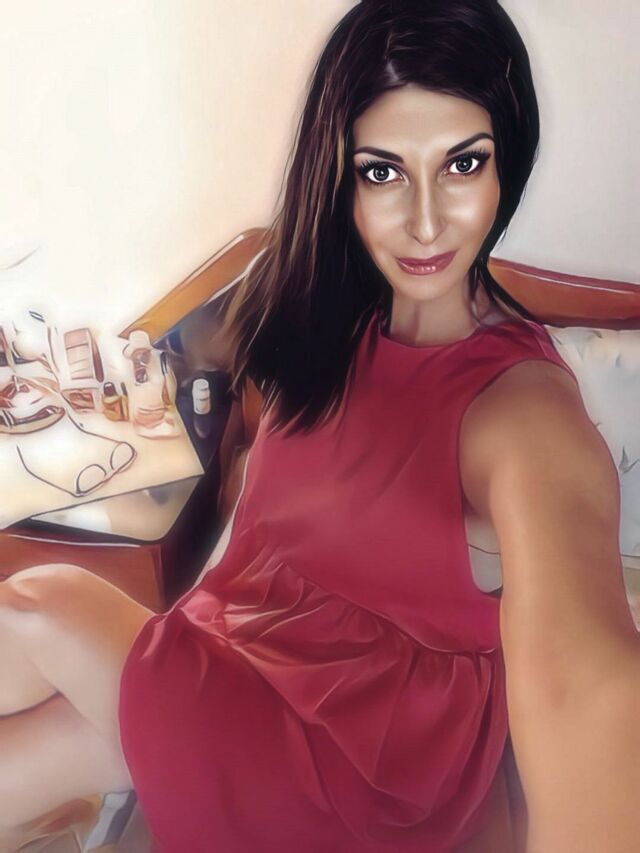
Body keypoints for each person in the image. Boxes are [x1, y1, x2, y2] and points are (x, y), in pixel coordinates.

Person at [0, 1, 639, 851]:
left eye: (463, 164)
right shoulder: (328, 320)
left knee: (43, 603)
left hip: (355, 775)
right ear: (339, 175)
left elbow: (588, 685)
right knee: (62, 730)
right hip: (240, 662)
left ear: (506, 159)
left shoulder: (521, 414)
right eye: (383, 172)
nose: (424, 220)